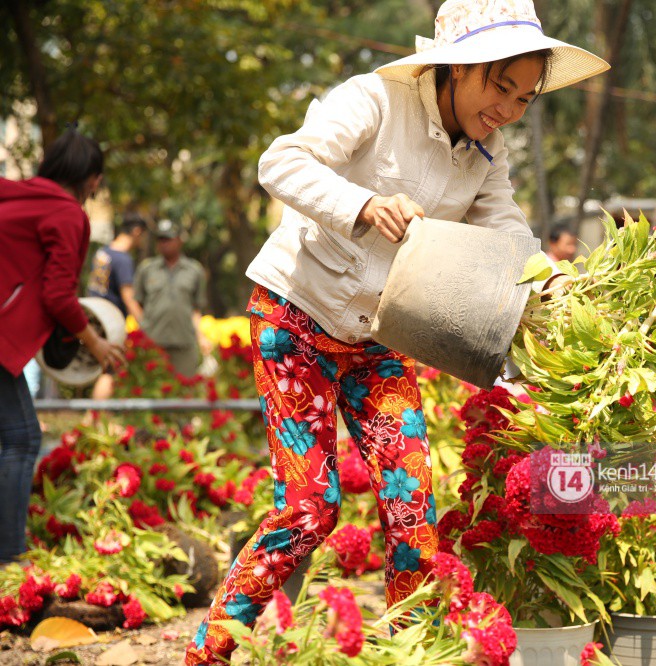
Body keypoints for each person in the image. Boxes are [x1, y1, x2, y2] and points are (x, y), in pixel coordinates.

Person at [184, 0, 608, 663]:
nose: (510, 109)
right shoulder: (374, 99)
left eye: (524, 97)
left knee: (412, 507)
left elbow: (508, 230)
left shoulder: (484, 159)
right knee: (308, 509)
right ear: (459, 67)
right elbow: (281, 163)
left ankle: (410, 652)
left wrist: (548, 281)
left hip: (379, 341)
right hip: (296, 319)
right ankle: (208, 650)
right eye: (501, 87)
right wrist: (363, 204)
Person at [0, 128, 125, 565]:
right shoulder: (68, 214)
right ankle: (10, 556)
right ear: (92, 180)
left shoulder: (13, 195)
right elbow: (57, 295)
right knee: (21, 437)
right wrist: (95, 342)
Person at [133, 219, 210, 378]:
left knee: (186, 394)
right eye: (161, 239)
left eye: (168, 239)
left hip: (184, 343)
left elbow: (196, 308)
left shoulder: (194, 270)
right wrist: (144, 326)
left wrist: (201, 337)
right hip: (153, 342)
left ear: (179, 240)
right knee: (152, 391)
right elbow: (137, 302)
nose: (164, 243)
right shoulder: (146, 269)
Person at [88, 212, 148, 399]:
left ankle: (96, 418)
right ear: (137, 232)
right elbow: (128, 296)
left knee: (103, 370)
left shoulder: (103, 253)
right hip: (110, 321)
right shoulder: (123, 259)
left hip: (94, 316)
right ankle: (96, 418)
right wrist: (144, 324)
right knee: (110, 371)